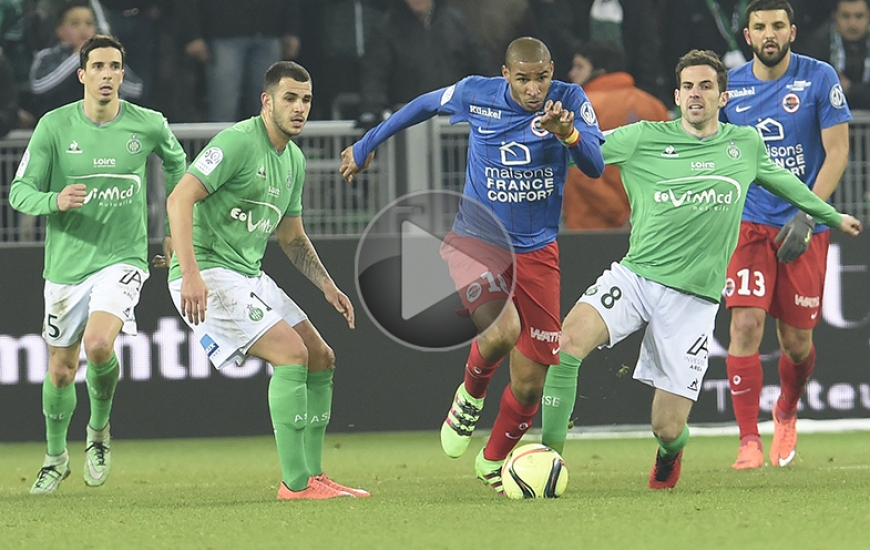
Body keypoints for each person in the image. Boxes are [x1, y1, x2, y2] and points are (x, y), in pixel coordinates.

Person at [539, 49, 861, 489]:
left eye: (706, 86)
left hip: (693, 301)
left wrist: (829, 216)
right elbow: (588, 154)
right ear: (676, 95)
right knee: (566, 343)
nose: (696, 94)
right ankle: (548, 461)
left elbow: (784, 181)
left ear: (723, 97)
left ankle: (671, 455)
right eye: (688, 86)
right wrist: (568, 135)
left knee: (667, 428)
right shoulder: (642, 137)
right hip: (636, 277)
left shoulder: (743, 145)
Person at [341, 37, 605, 494]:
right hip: (476, 239)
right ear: (506, 75)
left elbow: (596, 165)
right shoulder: (476, 94)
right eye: (523, 79)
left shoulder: (570, 101)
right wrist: (367, 144)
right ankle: (470, 395)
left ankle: (493, 460)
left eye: (541, 77)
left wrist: (569, 135)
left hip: (539, 251)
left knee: (529, 385)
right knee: (501, 332)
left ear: (552, 70)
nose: (534, 89)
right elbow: (423, 104)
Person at [165, 60, 368, 501]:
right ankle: (294, 485)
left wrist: (327, 286)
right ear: (267, 101)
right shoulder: (237, 142)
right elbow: (179, 199)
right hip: (209, 272)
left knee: (320, 356)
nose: (299, 108)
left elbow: (292, 237)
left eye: (306, 99)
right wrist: (191, 275)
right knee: (291, 354)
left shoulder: (293, 159)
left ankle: (314, 476)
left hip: (247, 275)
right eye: (290, 98)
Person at [9, 34, 187, 494]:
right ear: (82, 75)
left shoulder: (147, 124)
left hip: (123, 258)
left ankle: (99, 433)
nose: (107, 75)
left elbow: (178, 165)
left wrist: (172, 225)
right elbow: (18, 192)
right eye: (99, 67)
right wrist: (56, 199)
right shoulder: (54, 126)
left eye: (115, 67)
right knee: (61, 370)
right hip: (67, 264)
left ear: (122, 75)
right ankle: (54, 456)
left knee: (100, 346)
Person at [720, 0, 853, 470]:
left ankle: (787, 411)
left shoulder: (819, 78)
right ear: (748, 36)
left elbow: (837, 151)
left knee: (797, 344)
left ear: (792, 32)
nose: (769, 33)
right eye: (760, 27)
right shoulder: (729, 89)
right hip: (750, 224)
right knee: (744, 326)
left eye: (778, 25)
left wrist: (807, 212)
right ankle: (748, 441)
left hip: (804, 224)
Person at [562, 40, 670, 229]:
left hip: (592, 226)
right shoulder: (654, 106)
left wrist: (620, 214)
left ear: (600, 70)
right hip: (650, 224)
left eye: (579, 66)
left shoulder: (580, 110)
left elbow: (579, 170)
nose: (572, 73)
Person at [356, 0, 492, 130]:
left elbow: (481, 63)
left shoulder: (455, 22)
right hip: (409, 129)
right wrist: (372, 110)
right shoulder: (386, 29)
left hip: (453, 127)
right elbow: (375, 76)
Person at [175, 0, 301, 122]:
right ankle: (223, 144)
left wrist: (292, 29)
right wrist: (192, 34)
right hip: (224, 33)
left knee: (268, 110)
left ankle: (264, 144)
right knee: (224, 108)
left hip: (269, 31)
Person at [29, 1, 142, 119]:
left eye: (89, 23)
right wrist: (78, 57)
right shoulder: (47, 56)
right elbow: (39, 87)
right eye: (75, 24)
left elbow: (136, 88)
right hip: (63, 123)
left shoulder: (106, 57)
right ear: (60, 31)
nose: (83, 29)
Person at [800, 0, 870, 110]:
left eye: (859, 16)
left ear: (869, 16)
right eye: (846, 16)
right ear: (835, 16)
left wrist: (851, 89)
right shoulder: (818, 42)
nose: (852, 23)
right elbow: (809, 89)